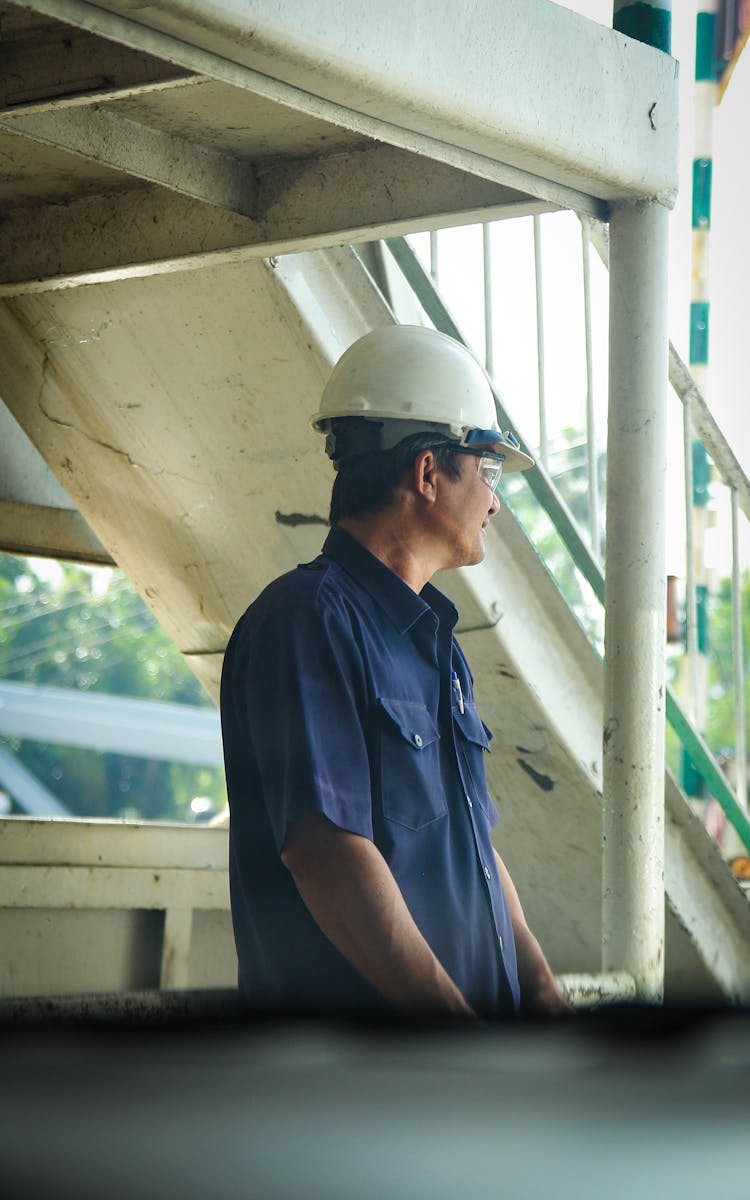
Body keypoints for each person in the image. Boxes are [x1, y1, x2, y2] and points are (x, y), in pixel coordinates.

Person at [220, 324, 567, 1020]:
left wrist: (542, 997)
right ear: (428, 473)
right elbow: (328, 854)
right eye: (488, 471)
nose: (496, 501)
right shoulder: (308, 622)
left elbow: (473, 849)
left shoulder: (432, 641)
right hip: (369, 1088)